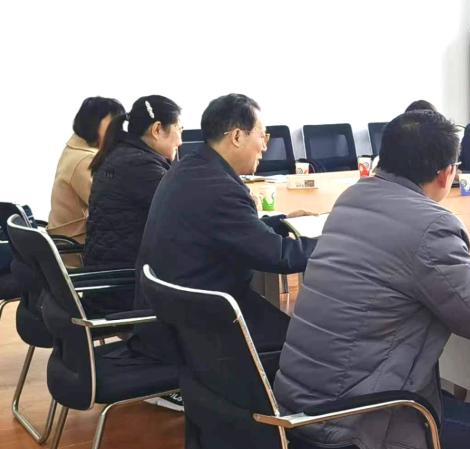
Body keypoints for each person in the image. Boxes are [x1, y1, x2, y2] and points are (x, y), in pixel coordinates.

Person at [273, 110, 470, 449]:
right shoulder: (431, 225)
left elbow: (391, 267)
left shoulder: (353, 198)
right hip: (354, 426)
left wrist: (454, 267)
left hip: (298, 410)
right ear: (446, 173)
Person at [131, 94, 317, 411]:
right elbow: (279, 257)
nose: (264, 146)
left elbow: (229, 230)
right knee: (306, 342)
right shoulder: (219, 187)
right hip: (201, 325)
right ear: (237, 136)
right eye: (262, 136)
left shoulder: (192, 168)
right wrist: (339, 241)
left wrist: (278, 221)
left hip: (175, 312)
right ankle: (290, 418)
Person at [82, 96, 181, 313]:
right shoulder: (141, 167)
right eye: (179, 130)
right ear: (157, 129)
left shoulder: (120, 155)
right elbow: (187, 211)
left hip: (109, 282)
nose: (180, 141)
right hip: (127, 288)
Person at [47, 96, 126, 245]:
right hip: (76, 247)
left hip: (66, 240)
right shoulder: (85, 160)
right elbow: (109, 205)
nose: (117, 132)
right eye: (113, 124)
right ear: (94, 123)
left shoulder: (74, 148)